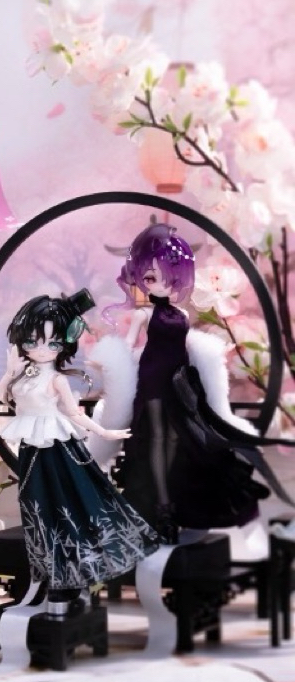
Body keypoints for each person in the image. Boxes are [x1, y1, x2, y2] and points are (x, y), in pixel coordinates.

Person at [97, 224, 268, 541]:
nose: (159, 284)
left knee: (178, 438)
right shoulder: (144, 314)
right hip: (152, 378)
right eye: (151, 277)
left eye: (167, 277)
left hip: (178, 380)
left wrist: (211, 360)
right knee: (157, 437)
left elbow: (188, 345)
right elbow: (129, 347)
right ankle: (163, 506)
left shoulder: (181, 314)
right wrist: (112, 364)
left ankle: (172, 499)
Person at [0, 291, 159, 614]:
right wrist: (10, 371)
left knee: (63, 509)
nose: (42, 349)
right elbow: (1, 396)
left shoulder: (57, 380)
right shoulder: (22, 374)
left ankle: (68, 581)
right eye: (34, 341)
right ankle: (46, 575)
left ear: (63, 345)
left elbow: (74, 413)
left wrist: (104, 432)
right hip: (31, 451)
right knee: (35, 509)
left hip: (56, 451)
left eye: (52, 343)